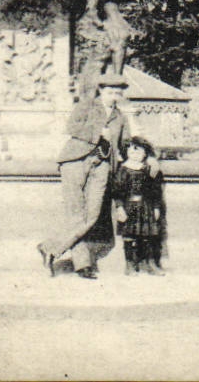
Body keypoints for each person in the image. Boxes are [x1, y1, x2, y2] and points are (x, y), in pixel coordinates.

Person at [38, 72, 129, 280]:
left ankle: (49, 247)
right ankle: (82, 264)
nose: (114, 96)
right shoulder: (86, 106)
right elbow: (71, 127)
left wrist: (147, 157)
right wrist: (98, 133)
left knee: (92, 215)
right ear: (101, 91)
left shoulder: (121, 117)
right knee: (76, 214)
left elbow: (126, 144)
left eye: (118, 93)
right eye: (110, 92)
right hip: (75, 160)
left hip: (102, 165)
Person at [111, 136, 168, 275]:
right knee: (129, 236)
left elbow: (155, 190)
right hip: (129, 207)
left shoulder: (148, 170)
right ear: (126, 153)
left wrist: (156, 207)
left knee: (148, 236)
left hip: (146, 206)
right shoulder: (123, 170)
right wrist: (119, 208)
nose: (135, 154)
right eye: (131, 151)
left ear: (145, 153)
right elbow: (117, 191)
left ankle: (150, 264)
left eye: (139, 151)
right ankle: (130, 264)